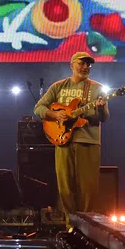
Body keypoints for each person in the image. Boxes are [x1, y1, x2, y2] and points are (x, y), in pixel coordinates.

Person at [34, 52, 108, 221]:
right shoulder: (59, 86)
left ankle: (87, 226)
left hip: (88, 141)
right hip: (62, 142)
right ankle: (70, 225)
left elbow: (104, 118)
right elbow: (38, 108)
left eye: (88, 65)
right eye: (82, 63)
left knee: (88, 189)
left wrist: (101, 108)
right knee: (65, 188)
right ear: (72, 65)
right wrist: (55, 116)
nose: (85, 67)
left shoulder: (97, 88)